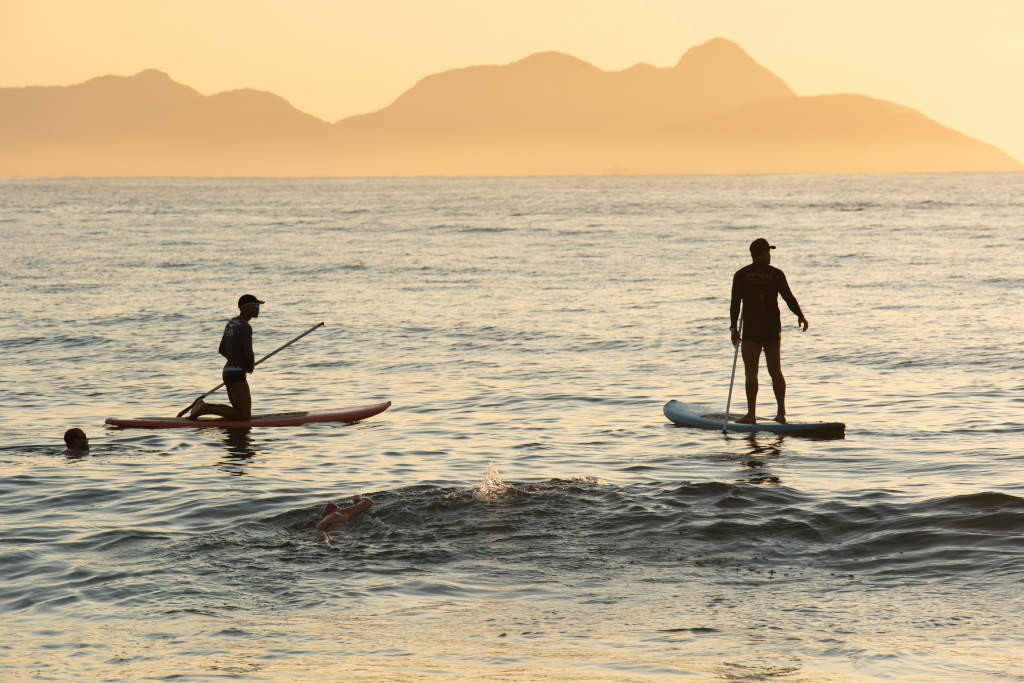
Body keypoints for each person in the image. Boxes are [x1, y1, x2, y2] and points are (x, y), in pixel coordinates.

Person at [730, 238, 808, 424]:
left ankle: (751, 415)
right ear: (763, 254)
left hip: (751, 329)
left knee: (751, 372)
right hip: (772, 328)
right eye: (768, 252)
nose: (770, 255)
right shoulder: (776, 274)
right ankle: (781, 414)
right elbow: (789, 297)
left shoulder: (741, 274)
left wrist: (733, 328)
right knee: (776, 371)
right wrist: (800, 315)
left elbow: (735, 303)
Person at [190, 294, 264, 421]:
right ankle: (205, 408)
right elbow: (248, 352)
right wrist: (249, 366)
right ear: (245, 308)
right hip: (236, 374)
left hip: (228, 371)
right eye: (255, 306)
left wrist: (234, 360)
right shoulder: (246, 327)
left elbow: (222, 349)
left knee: (238, 411)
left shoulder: (231, 323)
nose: (258, 309)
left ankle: (203, 407)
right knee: (244, 415)